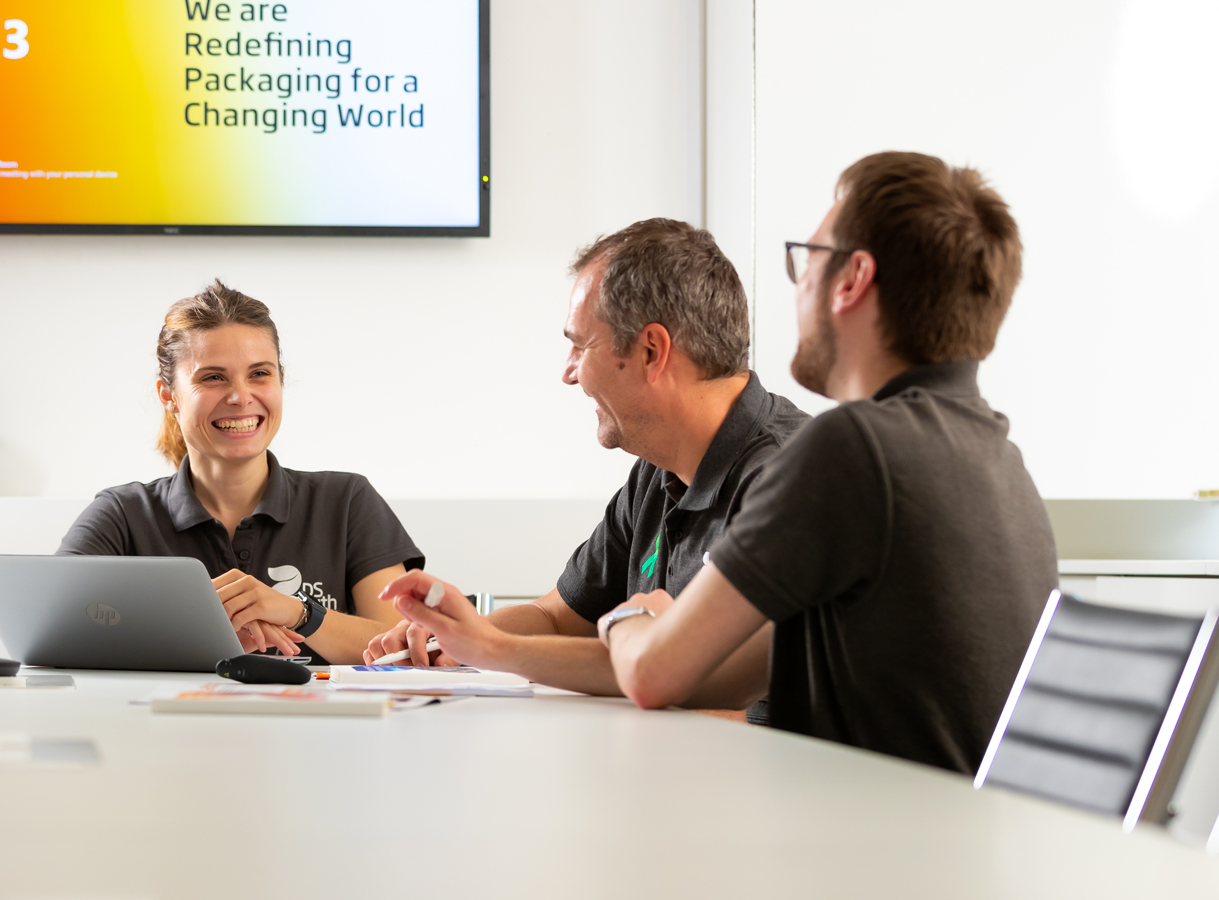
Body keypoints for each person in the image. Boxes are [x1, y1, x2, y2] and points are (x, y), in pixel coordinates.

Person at [386, 152, 1057, 774]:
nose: (797, 289)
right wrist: (484, 639)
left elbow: (653, 673)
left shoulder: (853, 449)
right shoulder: (998, 458)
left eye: (808, 259)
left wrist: (632, 621)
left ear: (851, 281)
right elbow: (730, 672)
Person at [365, 218, 807, 721]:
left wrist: (491, 646)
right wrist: (463, 637)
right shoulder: (655, 476)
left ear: (651, 351)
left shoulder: (789, 478)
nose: (568, 372)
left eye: (580, 345)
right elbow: (555, 618)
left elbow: (750, 707)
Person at [57, 280, 423, 665]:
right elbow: (52, 634)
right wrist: (195, 630)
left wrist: (300, 613)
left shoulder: (346, 501)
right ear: (169, 395)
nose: (240, 396)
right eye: (213, 377)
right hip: (169, 723)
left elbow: (400, 648)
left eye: (259, 374)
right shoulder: (123, 514)